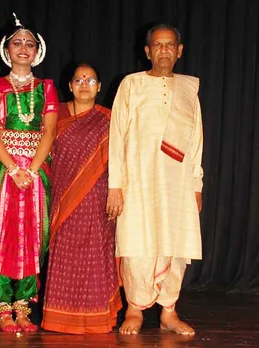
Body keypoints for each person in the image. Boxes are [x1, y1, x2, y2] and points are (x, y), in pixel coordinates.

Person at [107, 24, 203, 336]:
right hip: (138, 181)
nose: (163, 50)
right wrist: (115, 185)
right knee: (137, 244)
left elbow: (196, 141)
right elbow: (116, 136)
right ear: (147, 51)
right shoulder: (131, 84)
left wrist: (197, 185)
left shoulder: (189, 89)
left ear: (179, 50)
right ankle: (134, 308)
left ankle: (168, 312)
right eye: (157, 45)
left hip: (177, 183)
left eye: (169, 44)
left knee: (175, 245)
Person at [0, 13, 58, 332]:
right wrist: (13, 168)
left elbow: (49, 133)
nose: (23, 48)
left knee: (32, 237)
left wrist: (32, 171)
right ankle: (3, 308)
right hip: (1, 171)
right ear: (6, 50)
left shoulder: (47, 88)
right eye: (17, 43)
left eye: (29, 43)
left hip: (36, 173)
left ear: (39, 51)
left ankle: (23, 307)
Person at [41, 63, 122, 334]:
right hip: (62, 198)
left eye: (90, 80)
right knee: (64, 256)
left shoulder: (110, 118)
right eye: (78, 80)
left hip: (98, 197)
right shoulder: (56, 114)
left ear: (99, 86)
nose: (84, 84)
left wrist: (116, 192)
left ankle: (98, 318)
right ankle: (59, 317)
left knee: (95, 257)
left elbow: (122, 160)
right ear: (70, 85)